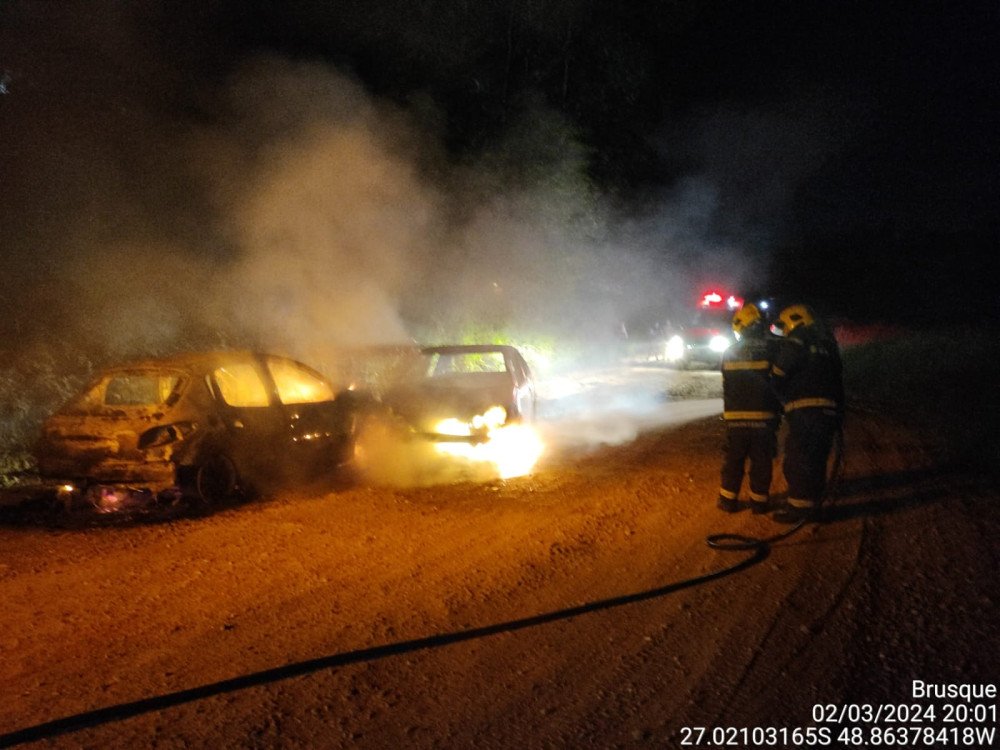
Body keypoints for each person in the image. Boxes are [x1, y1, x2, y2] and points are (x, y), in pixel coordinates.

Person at [771, 304, 845, 522]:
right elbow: (838, 379)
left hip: (805, 409)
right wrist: (838, 412)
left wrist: (779, 394)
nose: (784, 332)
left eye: (785, 326)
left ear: (795, 320)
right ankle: (812, 505)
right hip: (828, 411)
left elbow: (779, 371)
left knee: (798, 458)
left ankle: (800, 510)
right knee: (816, 458)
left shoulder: (799, 336)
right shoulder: (828, 343)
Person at [717, 303, 782, 514]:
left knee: (734, 460)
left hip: (735, 418)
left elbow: (727, 384)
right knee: (761, 461)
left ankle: (728, 501)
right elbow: (780, 380)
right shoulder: (771, 348)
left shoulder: (729, 351)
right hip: (764, 418)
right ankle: (759, 503)